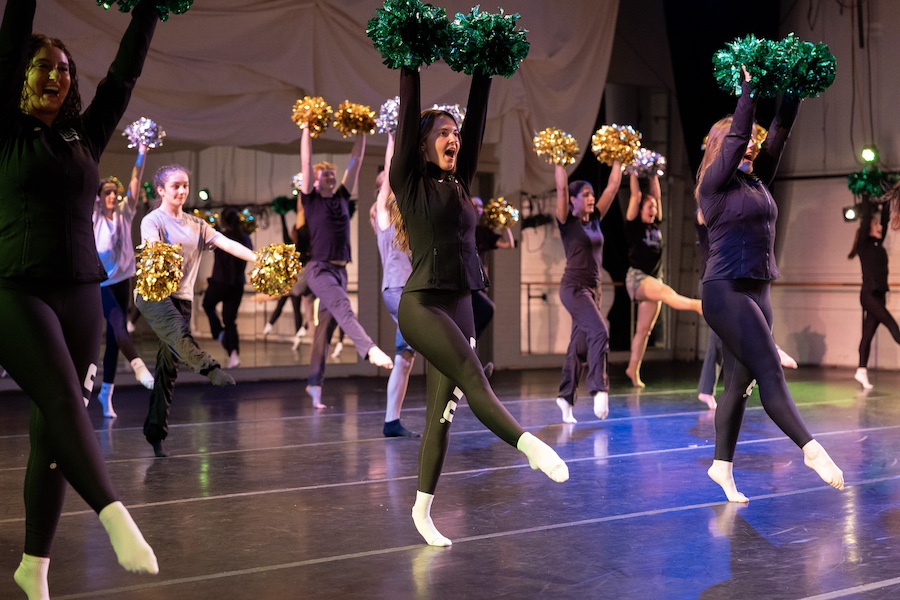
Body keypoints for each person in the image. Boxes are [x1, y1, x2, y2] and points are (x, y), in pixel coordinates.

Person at [0, 1, 160, 596]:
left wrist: (149, 8)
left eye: (64, 68)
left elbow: (122, 76)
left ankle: (33, 569)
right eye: (41, 65)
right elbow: (12, 36)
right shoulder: (6, 127)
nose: (54, 74)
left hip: (82, 296)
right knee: (67, 400)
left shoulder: (83, 135)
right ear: (18, 73)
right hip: (16, 289)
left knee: (54, 432)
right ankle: (115, 515)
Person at [391, 64, 568, 547]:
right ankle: (529, 445)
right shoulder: (408, 181)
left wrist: (485, 71)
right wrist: (410, 61)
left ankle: (422, 509)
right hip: (423, 304)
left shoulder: (460, 180)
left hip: (462, 301)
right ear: (423, 143)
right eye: (443, 133)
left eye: (456, 132)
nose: (453, 138)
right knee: (474, 379)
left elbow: (479, 120)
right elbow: (409, 111)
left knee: (441, 413)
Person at [695, 67, 843, 502]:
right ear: (721, 148)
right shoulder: (713, 184)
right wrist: (749, 88)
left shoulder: (756, 180)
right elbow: (741, 135)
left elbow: (778, 130)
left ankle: (721, 467)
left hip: (760, 290)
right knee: (770, 370)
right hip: (725, 291)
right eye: (742, 143)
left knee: (739, 384)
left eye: (754, 145)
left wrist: (795, 87)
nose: (752, 147)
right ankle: (810, 449)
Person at [136, 165, 258, 458]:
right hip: (154, 295)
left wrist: (259, 259)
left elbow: (227, 243)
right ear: (162, 190)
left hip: (182, 298)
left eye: (185, 186)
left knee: (168, 369)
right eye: (175, 186)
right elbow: (153, 248)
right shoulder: (152, 221)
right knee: (180, 335)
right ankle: (210, 368)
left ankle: (155, 434)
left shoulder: (197, 225)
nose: (181, 191)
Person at [297, 127, 393, 410]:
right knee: (342, 306)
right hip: (319, 269)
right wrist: (306, 128)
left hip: (340, 270)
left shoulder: (341, 196)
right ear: (314, 182)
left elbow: (357, 161)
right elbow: (305, 160)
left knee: (324, 331)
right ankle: (369, 349)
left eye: (331, 174)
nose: (330, 176)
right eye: (324, 174)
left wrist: (362, 131)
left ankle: (314, 384)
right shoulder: (311, 200)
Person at [552, 161, 623, 424]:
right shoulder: (566, 221)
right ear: (572, 201)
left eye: (592, 194)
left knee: (579, 346)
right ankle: (599, 387)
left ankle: (565, 396)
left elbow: (613, 187)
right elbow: (560, 188)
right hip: (573, 288)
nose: (592, 198)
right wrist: (559, 159)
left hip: (594, 290)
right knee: (600, 331)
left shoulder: (594, 219)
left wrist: (619, 157)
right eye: (585, 195)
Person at [93, 145, 156, 419]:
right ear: (98, 198)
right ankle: (139, 366)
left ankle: (106, 392)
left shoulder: (124, 213)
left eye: (114, 193)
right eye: (106, 192)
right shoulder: (93, 218)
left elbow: (135, 181)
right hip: (101, 284)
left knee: (115, 338)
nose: (112, 196)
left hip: (123, 280)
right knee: (118, 323)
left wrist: (142, 151)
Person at [624, 172, 703, 388]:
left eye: (655, 208)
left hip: (652, 281)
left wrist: (653, 174)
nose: (654, 210)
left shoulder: (655, 226)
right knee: (668, 293)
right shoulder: (634, 226)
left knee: (644, 330)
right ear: (639, 210)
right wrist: (633, 171)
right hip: (637, 279)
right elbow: (636, 194)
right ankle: (698, 306)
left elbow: (657, 196)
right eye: (649, 208)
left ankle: (633, 368)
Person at [371, 132, 417, 437]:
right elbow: (389, 178)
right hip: (398, 290)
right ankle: (469, 377)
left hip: (406, 291)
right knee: (415, 349)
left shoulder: (401, 219)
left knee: (406, 357)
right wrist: (394, 140)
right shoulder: (384, 216)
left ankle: (391, 421)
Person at [848, 197, 899, 390]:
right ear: (868, 228)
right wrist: (868, 201)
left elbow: (885, 221)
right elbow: (867, 218)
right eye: (875, 224)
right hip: (869, 295)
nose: (879, 227)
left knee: (868, 334)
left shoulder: (879, 244)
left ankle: (861, 370)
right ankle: (861, 369)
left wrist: (887, 201)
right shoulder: (864, 244)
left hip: (879, 295)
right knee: (892, 325)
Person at [202, 206, 253, 370]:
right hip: (237, 284)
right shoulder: (245, 238)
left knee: (207, 305)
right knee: (230, 320)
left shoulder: (220, 237)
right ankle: (234, 354)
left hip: (220, 282)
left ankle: (219, 334)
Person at [471, 195, 514, 339]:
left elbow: (509, 244)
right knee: (486, 309)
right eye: (474, 206)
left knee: (479, 317)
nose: (477, 209)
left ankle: (470, 350)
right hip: (468, 284)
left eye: (480, 206)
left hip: (480, 285)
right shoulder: (463, 230)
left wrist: (506, 223)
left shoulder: (484, 232)